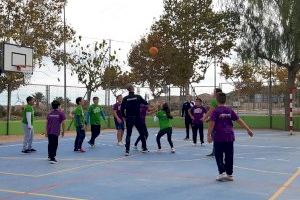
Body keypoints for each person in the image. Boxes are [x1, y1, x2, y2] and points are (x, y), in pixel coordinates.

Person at [207, 92, 253, 181]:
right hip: (229, 136)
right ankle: (229, 174)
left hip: (219, 137)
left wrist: (208, 135)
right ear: (225, 100)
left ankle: (222, 173)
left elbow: (211, 124)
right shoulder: (229, 110)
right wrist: (248, 129)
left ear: (216, 101)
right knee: (229, 155)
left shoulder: (215, 111)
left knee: (219, 155)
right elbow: (239, 120)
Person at [121, 84, 148, 156]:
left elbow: (122, 109)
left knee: (128, 134)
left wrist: (124, 116)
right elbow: (145, 103)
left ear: (128, 90)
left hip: (129, 118)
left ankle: (127, 150)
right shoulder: (138, 97)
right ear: (133, 89)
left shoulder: (125, 98)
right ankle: (144, 148)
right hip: (137, 117)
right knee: (142, 133)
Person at [203, 88, 222, 157]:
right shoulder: (222, 101)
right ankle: (216, 151)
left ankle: (216, 152)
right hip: (221, 121)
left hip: (215, 121)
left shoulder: (214, 100)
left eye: (214, 92)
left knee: (214, 136)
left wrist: (204, 118)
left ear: (217, 93)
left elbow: (211, 111)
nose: (213, 93)